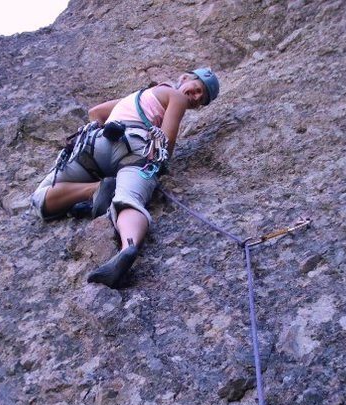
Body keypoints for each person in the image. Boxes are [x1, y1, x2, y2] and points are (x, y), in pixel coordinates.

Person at [30, 67, 220, 289]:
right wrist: (154, 168)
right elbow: (165, 145)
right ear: (185, 78)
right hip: (136, 148)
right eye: (197, 89)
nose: (195, 97)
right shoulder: (175, 96)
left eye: (200, 99)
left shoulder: (135, 97)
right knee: (129, 199)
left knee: (40, 199)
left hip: (96, 145)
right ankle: (128, 246)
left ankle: (95, 190)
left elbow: (96, 112)